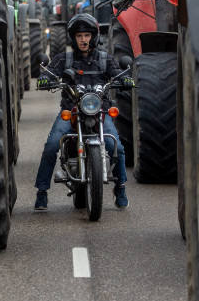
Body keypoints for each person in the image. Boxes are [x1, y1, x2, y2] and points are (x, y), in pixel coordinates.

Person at [34, 13, 134, 210]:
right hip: (71, 111)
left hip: (100, 112)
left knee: (118, 147)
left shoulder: (105, 59)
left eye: (87, 35)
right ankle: (42, 191)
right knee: (53, 143)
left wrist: (126, 78)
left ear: (94, 36)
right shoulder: (65, 59)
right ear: (73, 38)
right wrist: (45, 78)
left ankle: (120, 187)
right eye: (79, 36)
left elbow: (118, 73)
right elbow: (49, 72)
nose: (83, 40)